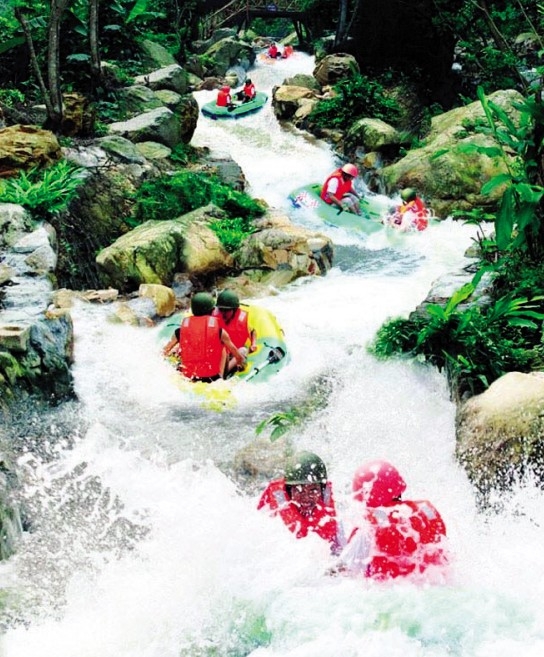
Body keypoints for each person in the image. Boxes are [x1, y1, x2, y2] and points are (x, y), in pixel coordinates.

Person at [336, 460, 448, 581]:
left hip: (388, 593)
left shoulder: (368, 530)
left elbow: (342, 570)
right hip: (436, 585)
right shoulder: (426, 512)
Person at [257, 451, 344, 555]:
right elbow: (299, 537)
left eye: (313, 490)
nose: (306, 497)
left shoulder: (327, 497)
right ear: (289, 491)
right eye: (299, 490)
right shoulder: (279, 498)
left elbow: (333, 540)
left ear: (322, 489)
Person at [162, 292, 246, 382]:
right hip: (212, 378)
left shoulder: (180, 331)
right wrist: (241, 365)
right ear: (212, 310)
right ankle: (221, 378)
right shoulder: (219, 331)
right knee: (224, 347)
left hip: (189, 377)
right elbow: (238, 356)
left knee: (179, 349)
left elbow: (164, 352)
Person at [212, 289, 257, 374]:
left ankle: (224, 372)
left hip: (235, 354)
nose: (223, 313)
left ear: (234, 310)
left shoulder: (242, 319)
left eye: (227, 310)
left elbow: (253, 331)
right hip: (219, 354)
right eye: (221, 310)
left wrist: (253, 343)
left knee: (243, 350)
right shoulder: (213, 318)